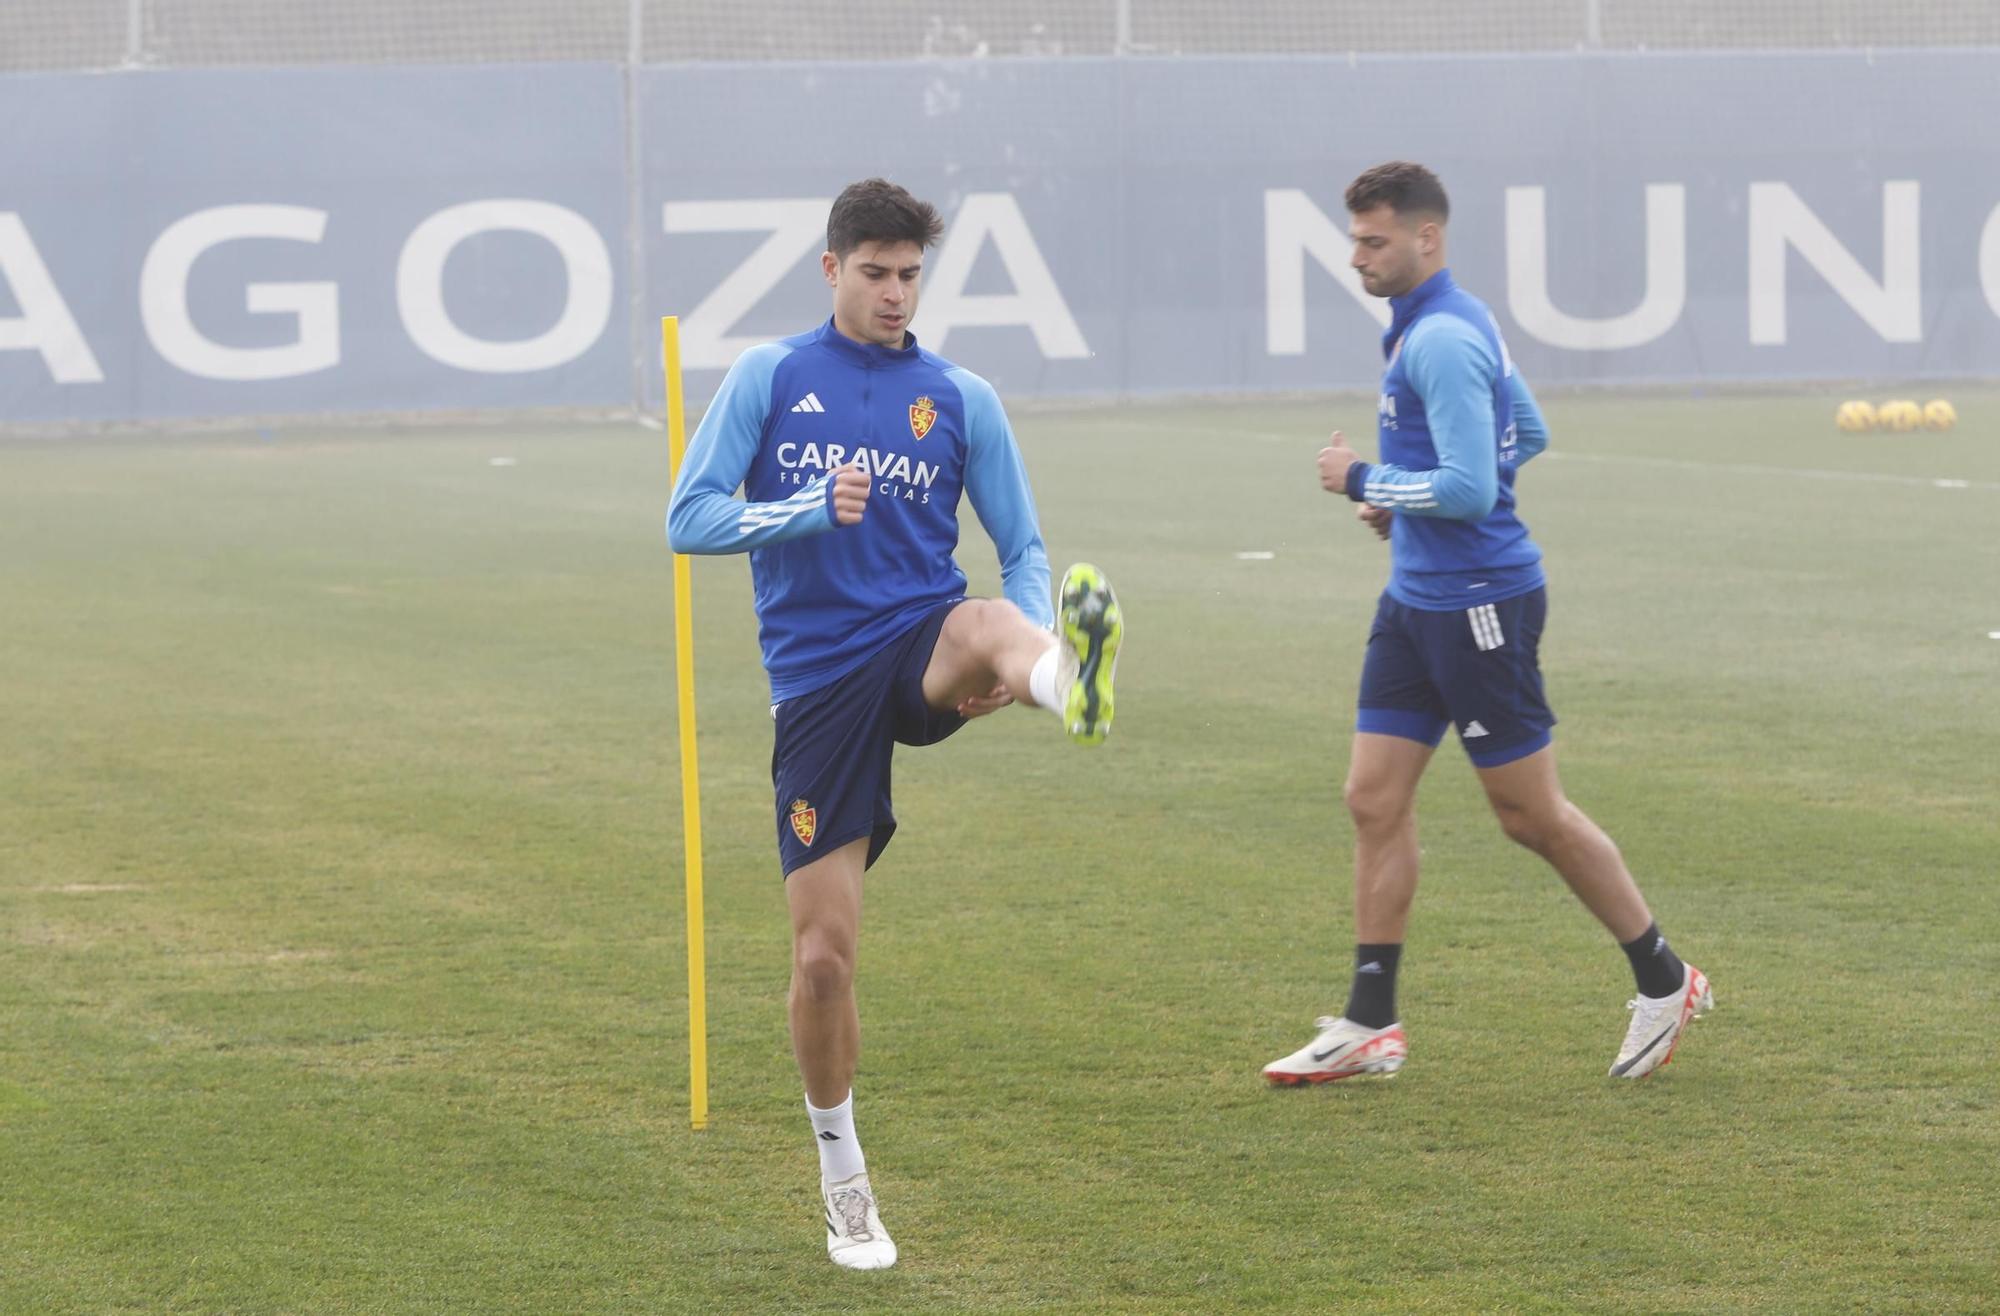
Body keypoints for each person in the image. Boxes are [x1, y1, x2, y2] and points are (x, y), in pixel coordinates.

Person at [665, 178, 1122, 1270]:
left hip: (927, 642)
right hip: (818, 683)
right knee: (823, 958)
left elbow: (1020, 545)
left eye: (910, 274)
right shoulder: (771, 375)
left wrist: (1025, 644)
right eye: (873, 272)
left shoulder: (961, 396)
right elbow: (688, 514)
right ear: (831, 270)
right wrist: (804, 506)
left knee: (985, 613)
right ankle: (844, 1180)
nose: (894, 293)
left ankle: (1066, 678)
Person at [1262, 161, 1711, 1088]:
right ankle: (1370, 1023)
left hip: (1479, 607)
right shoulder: (1440, 326)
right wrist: (1409, 505)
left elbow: (1473, 486)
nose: (1356, 257)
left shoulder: (1441, 340)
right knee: (1372, 798)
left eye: (1373, 240)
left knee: (1529, 815)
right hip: (1415, 602)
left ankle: (1665, 979)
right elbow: (1528, 433)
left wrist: (1368, 482)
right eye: (1353, 238)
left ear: (1427, 238)